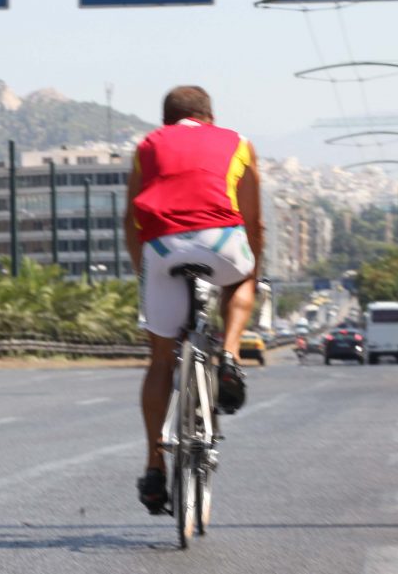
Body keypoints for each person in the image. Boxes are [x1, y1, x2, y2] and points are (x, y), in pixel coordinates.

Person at [124, 85, 265, 514]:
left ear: (167, 121)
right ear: (210, 117)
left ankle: (153, 466)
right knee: (243, 276)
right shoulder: (238, 143)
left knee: (160, 361)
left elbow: (130, 220)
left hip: (163, 250)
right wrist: (254, 269)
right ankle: (229, 353)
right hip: (221, 242)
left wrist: (143, 271)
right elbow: (254, 220)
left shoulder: (147, 147)